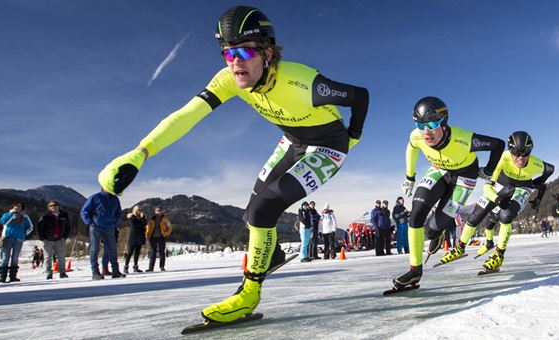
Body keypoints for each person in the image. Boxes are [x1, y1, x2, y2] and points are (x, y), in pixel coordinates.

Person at [96, 5, 369, 323]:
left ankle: (248, 294)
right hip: (293, 143)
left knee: (263, 209)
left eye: (244, 51)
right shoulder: (227, 79)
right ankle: (274, 254)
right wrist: (141, 152)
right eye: (228, 53)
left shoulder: (303, 82)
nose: (236, 62)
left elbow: (359, 96)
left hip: (328, 146)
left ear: (268, 52)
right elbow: (187, 115)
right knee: (249, 214)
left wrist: (354, 135)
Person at [393, 96, 504, 288]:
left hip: (464, 178)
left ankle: (439, 232)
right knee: (416, 213)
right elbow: (411, 148)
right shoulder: (416, 136)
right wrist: (410, 176)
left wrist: (488, 171)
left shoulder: (465, 139)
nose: (426, 132)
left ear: (444, 122)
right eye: (420, 125)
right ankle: (415, 270)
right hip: (439, 169)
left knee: (432, 229)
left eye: (432, 123)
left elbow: (498, 145)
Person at [437, 131, 554, 274]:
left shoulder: (537, 164)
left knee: (506, 215)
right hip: (500, 185)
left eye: (526, 152)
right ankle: (460, 247)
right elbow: (487, 186)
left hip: (522, 187)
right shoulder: (504, 157)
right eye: (516, 152)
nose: (521, 157)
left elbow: (550, 169)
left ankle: (499, 255)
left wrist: (537, 183)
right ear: (510, 150)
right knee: (476, 215)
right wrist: (498, 199)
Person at [81, 189, 123, 280]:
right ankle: (95, 272)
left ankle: (116, 271)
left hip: (109, 227)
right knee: (94, 249)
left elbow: (119, 212)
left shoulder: (115, 198)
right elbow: (84, 211)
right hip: (96, 226)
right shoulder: (95, 197)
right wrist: (90, 222)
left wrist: (115, 223)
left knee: (112, 249)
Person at [0, 202, 34, 283]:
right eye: (16, 205)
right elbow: (3, 222)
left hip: (19, 239)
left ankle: (13, 277)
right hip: (7, 238)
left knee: (15, 258)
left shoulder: (25, 217)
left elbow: (30, 227)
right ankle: (2, 277)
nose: (18, 207)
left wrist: (24, 234)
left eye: (20, 206)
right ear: (13, 206)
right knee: (5, 257)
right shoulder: (7, 214)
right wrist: (11, 214)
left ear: (22, 208)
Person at [37, 200, 72, 280]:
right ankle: (49, 273)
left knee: (61, 257)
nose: (54, 206)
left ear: (59, 206)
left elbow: (68, 227)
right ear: (48, 207)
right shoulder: (45, 216)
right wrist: (42, 238)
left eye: (55, 205)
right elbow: (39, 227)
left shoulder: (64, 215)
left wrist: (65, 237)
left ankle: (62, 273)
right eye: (51, 205)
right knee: (47, 257)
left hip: (60, 240)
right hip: (48, 240)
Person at [146, 206, 172, 271]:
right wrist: (147, 234)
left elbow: (170, 227)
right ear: (155, 211)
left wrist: (166, 234)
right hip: (152, 237)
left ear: (162, 211)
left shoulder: (165, 219)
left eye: (159, 210)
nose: (158, 211)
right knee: (152, 252)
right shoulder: (151, 218)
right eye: (157, 210)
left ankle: (162, 267)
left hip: (161, 237)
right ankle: (151, 268)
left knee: (162, 252)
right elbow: (147, 227)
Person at [124, 205, 147, 273]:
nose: (140, 211)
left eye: (141, 210)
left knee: (137, 253)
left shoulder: (142, 217)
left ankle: (135, 267)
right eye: (138, 210)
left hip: (140, 237)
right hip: (133, 237)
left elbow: (145, 224)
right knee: (130, 252)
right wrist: (142, 228)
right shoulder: (132, 217)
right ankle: (126, 267)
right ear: (135, 210)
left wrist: (143, 217)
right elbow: (134, 226)